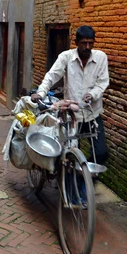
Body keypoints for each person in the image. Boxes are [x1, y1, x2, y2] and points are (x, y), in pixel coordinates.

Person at [31, 25, 109, 165]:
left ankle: (84, 177)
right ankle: (69, 183)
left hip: (92, 114)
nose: (87, 46)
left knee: (101, 153)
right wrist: (40, 93)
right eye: (83, 43)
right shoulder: (66, 57)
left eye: (90, 43)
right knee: (70, 154)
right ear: (76, 42)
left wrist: (92, 94)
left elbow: (103, 82)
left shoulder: (101, 57)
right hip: (72, 116)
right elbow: (52, 76)